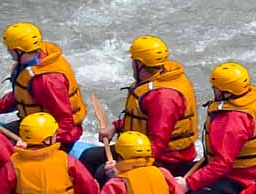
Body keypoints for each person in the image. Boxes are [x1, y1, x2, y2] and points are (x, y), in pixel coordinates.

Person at [80, 35, 198, 182]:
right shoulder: (155, 79)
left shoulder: (163, 98)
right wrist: (115, 127)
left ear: (139, 64)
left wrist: (125, 167)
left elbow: (157, 144)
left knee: (103, 173)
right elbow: (143, 119)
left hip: (166, 160)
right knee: (88, 156)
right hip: (139, 149)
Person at [180, 62, 256, 194]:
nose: (213, 90)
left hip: (242, 178)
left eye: (215, 88)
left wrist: (188, 184)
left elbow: (221, 164)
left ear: (227, 93)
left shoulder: (232, 120)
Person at [0, 21, 86, 148]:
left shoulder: (46, 81)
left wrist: (37, 142)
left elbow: (66, 122)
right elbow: (23, 95)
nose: (7, 50)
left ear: (19, 51)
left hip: (55, 136)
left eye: (10, 49)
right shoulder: (32, 62)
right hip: (34, 125)